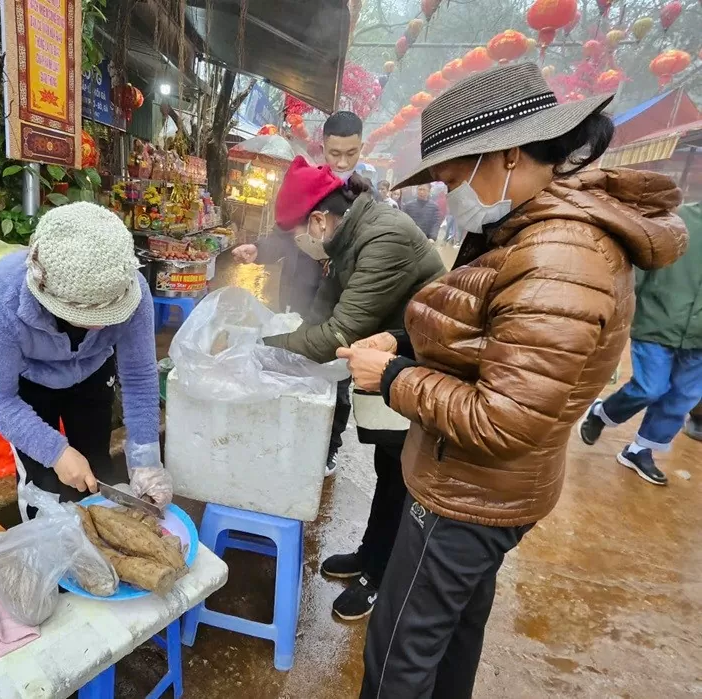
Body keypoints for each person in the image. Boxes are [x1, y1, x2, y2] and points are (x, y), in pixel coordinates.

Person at [337, 62, 686, 698]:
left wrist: (393, 377)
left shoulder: (560, 253)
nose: (448, 194)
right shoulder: (538, 230)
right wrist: (410, 342)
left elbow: (505, 416)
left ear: (506, 155)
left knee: (399, 654)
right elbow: (503, 339)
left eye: (451, 176)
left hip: (468, 492)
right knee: (451, 635)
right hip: (490, 488)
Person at [262, 156, 446, 621]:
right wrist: (283, 334)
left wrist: (262, 346)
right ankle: (370, 553)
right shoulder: (347, 237)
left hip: (424, 358)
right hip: (394, 353)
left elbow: (337, 334)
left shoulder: (382, 237)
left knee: (405, 475)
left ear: (319, 221)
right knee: (389, 467)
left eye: (298, 236)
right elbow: (320, 314)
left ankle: (383, 577)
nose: (300, 247)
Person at [0, 202, 172, 520]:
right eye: (91, 315)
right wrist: (56, 452)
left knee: (96, 469)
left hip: (92, 372)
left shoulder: (131, 288)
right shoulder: (1, 296)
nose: (104, 324)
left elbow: (140, 375)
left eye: (110, 313)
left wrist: (146, 459)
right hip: (30, 382)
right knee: (44, 484)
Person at [232, 110, 366, 476]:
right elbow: (284, 232)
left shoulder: (364, 198)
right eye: (334, 153)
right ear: (323, 147)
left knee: (335, 383)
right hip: (296, 300)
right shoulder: (309, 187)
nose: (341, 162)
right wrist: (258, 250)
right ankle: (285, 441)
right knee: (287, 371)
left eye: (349, 154)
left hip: (340, 309)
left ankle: (328, 450)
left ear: (360, 148)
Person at [579, 200, 702, 485]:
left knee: (681, 398)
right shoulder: (677, 220)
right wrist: (619, 312)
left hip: (699, 338)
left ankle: (640, 450)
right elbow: (644, 264)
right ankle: (603, 413)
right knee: (650, 387)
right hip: (658, 320)